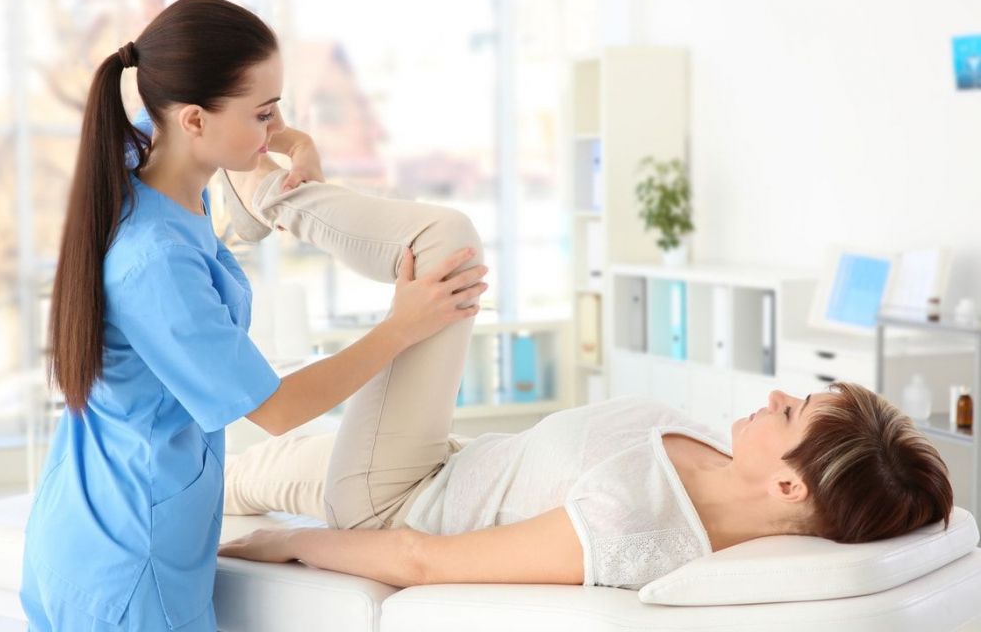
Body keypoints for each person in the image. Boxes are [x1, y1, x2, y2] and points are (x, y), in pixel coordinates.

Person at [217, 153, 955, 590]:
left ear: (790, 487)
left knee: (448, 245)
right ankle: (246, 205)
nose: (776, 395)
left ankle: (269, 196)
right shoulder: (726, 461)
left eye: (792, 413)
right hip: (445, 463)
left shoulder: (636, 522)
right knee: (233, 480)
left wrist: (289, 544)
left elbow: (423, 561)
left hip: (395, 499)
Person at [21, 0, 487, 631]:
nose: (274, 127)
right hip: (131, 562)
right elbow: (277, 411)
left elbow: (234, 147)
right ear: (194, 120)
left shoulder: (147, 156)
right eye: (263, 113)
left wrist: (293, 142)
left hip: (83, 525)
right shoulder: (156, 262)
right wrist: (401, 327)